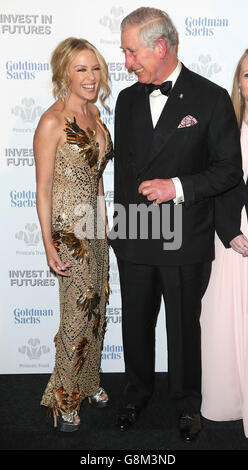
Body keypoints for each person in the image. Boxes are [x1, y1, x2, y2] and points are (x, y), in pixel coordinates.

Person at [110, 7, 243, 442]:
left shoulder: (209, 98)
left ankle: (188, 402)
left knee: (184, 328)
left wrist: (177, 186)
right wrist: (119, 231)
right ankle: (135, 394)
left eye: (132, 52)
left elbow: (227, 171)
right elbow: (125, 176)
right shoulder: (127, 99)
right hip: (135, 234)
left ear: (160, 47)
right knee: (135, 323)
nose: (127, 62)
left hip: (185, 236)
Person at [33, 37, 113, 432]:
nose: (90, 76)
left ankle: (90, 382)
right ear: (64, 72)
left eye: (95, 68)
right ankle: (64, 398)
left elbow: (96, 176)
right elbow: (44, 187)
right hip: (70, 236)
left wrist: (103, 217)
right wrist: (48, 243)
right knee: (77, 317)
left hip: (95, 230)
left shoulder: (96, 113)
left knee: (97, 312)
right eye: (81, 69)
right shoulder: (52, 121)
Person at [201, 45, 248, 441]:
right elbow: (216, 187)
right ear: (238, 82)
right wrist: (230, 234)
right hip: (229, 246)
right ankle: (230, 402)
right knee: (223, 327)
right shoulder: (226, 129)